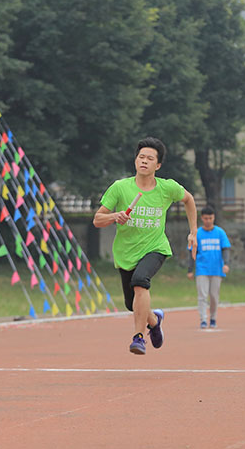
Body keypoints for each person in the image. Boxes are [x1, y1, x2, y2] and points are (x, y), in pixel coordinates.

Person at [93, 137, 197, 355]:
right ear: (135, 161)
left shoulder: (167, 188)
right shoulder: (120, 188)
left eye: (150, 158)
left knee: (141, 281)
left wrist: (193, 232)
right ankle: (154, 320)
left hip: (155, 248)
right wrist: (114, 216)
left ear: (157, 165)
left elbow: (189, 200)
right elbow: (97, 220)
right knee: (133, 305)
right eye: (141, 157)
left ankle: (139, 338)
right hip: (126, 252)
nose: (144, 161)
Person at [187, 206, 230, 329]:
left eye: (210, 218)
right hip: (202, 269)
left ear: (214, 218)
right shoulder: (198, 233)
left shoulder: (220, 232)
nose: (208, 220)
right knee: (202, 295)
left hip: (217, 269)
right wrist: (190, 270)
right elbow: (191, 253)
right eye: (206, 218)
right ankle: (203, 320)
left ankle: (213, 318)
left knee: (214, 296)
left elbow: (225, 249)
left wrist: (226, 264)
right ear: (202, 218)